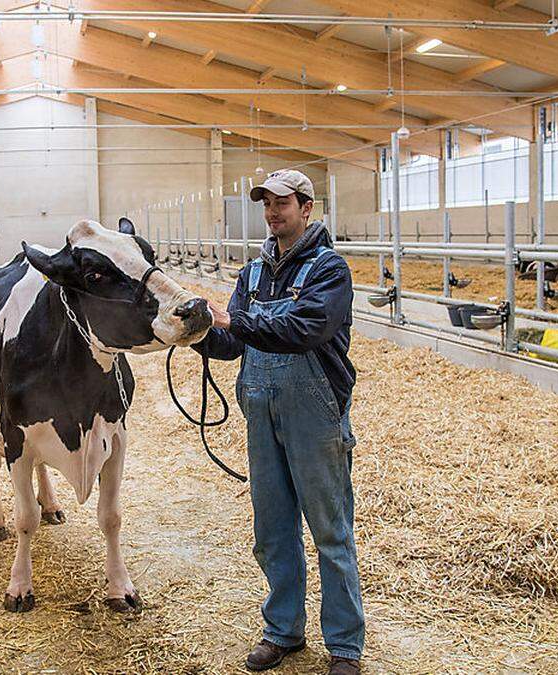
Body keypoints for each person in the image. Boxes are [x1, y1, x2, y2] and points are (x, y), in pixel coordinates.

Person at [194, 169, 363, 674]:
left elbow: (305, 328)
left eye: (282, 204)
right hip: (261, 412)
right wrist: (198, 330)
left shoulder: (330, 270)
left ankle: (345, 646)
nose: (272, 212)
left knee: (330, 531)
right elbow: (233, 343)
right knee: (272, 530)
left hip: (314, 414)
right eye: (266, 204)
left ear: (307, 209)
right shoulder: (251, 274)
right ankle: (284, 630)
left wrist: (234, 321)